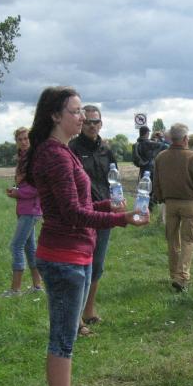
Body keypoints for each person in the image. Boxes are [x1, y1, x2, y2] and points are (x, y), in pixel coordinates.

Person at [23, 86, 148, 386]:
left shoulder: (61, 151)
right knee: (62, 340)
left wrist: (106, 206)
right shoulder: (55, 155)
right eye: (76, 111)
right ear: (55, 115)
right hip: (63, 257)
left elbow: (79, 205)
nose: (82, 117)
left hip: (73, 254)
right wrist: (121, 219)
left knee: (66, 338)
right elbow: (71, 214)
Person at [69, 105, 118, 330]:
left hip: (104, 214)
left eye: (95, 122)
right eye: (87, 121)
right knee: (80, 265)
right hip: (82, 215)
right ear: (81, 123)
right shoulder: (72, 149)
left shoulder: (107, 150)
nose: (91, 126)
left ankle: (89, 311)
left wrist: (116, 201)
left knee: (97, 264)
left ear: (101, 124)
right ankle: (76, 318)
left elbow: (114, 180)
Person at [152, 123, 193, 292]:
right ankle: (181, 276)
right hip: (189, 203)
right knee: (189, 240)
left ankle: (174, 274)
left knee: (172, 240)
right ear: (185, 139)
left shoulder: (161, 157)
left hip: (169, 203)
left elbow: (156, 182)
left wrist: (161, 197)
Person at [3, 127, 43, 296]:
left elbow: (38, 187)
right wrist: (16, 189)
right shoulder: (23, 159)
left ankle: (15, 289)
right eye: (20, 139)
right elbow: (26, 184)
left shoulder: (34, 159)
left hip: (31, 209)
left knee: (16, 246)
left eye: (26, 138)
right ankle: (37, 286)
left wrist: (18, 193)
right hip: (25, 208)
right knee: (29, 247)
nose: (23, 142)